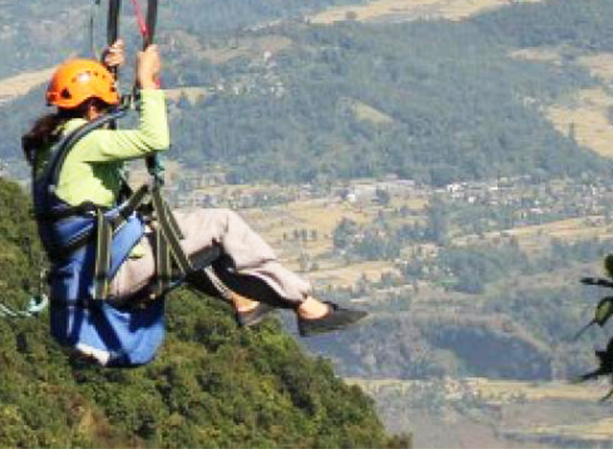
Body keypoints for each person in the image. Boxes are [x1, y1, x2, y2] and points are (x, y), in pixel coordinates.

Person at [24, 39, 369, 337]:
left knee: (178, 232)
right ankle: (307, 306)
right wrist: (145, 81)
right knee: (222, 224)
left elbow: (101, 141)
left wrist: (106, 74)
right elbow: (153, 139)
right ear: (92, 107)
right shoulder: (84, 143)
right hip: (112, 273)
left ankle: (243, 299)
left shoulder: (55, 143)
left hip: (90, 274)